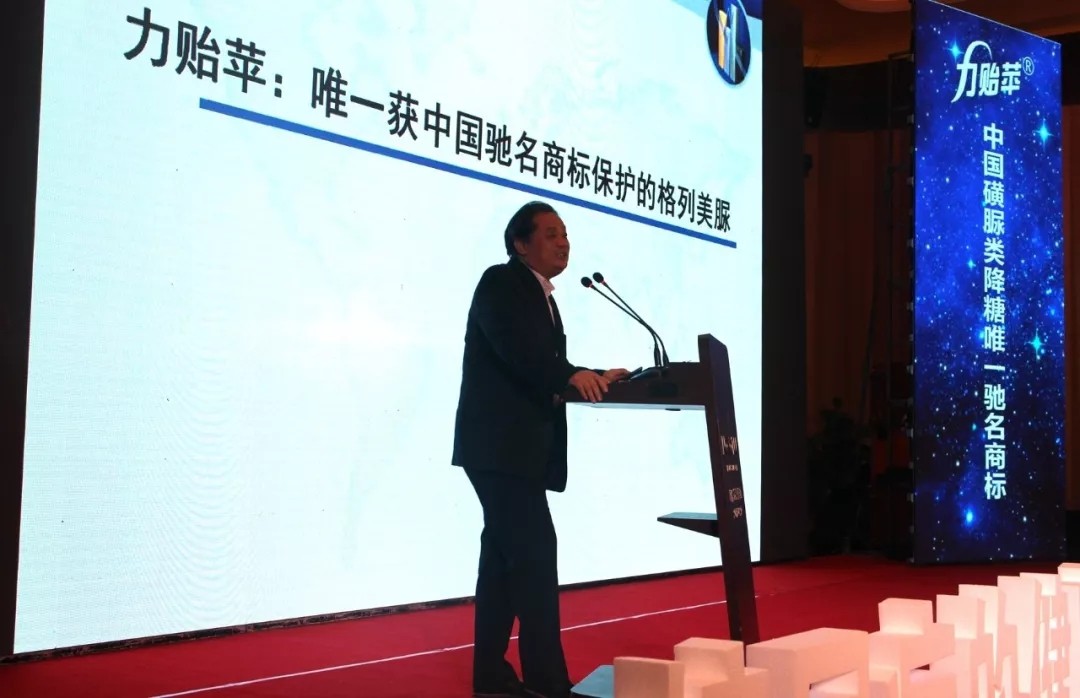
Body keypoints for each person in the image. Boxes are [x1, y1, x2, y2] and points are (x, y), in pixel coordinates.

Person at [452, 201, 629, 698]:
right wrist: (571, 375)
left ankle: (490, 676)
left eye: (565, 233)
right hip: (499, 449)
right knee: (534, 558)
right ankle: (547, 683)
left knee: (502, 563)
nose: (563, 242)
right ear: (520, 244)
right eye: (551, 234)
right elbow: (521, 354)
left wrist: (596, 375)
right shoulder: (500, 282)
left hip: (514, 453)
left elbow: (545, 364)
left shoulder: (543, 296)